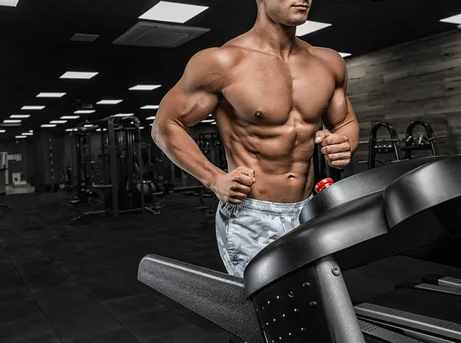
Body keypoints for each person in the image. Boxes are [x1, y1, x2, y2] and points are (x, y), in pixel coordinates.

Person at [151, 0, 359, 278]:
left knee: (315, 306)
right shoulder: (222, 62)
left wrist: (344, 144)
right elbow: (165, 125)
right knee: (265, 315)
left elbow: (345, 122)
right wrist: (214, 179)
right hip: (252, 215)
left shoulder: (328, 61)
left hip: (310, 208)